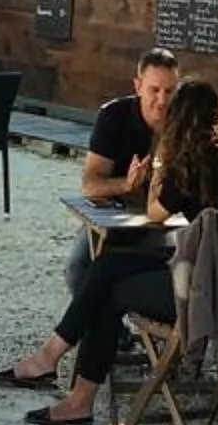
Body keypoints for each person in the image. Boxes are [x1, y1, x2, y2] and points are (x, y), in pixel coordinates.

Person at [0, 81, 218, 425]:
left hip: (201, 295)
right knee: (108, 265)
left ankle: (75, 399)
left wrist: (158, 164)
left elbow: (154, 213)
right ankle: (48, 359)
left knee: (107, 294)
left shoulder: (191, 163)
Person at [60, 48, 182, 293]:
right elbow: (90, 185)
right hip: (116, 216)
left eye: (170, 91)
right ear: (137, 87)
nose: (162, 100)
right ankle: (104, 331)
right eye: (154, 90)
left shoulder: (185, 122)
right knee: (78, 268)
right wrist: (125, 185)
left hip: (167, 220)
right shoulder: (113, 116)